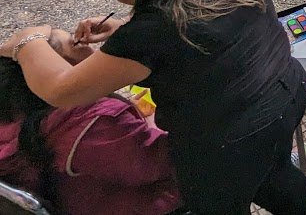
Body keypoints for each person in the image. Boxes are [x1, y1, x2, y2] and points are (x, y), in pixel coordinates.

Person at [0, 0, 306, 215]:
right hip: (285, 93)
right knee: (276, 174)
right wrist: (121, 28)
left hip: (228, 140)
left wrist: (28, 40)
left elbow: (59, 89)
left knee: (218, 205)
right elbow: (208, 29)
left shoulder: (148, 35)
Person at [0, 31, 181, 215]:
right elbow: (170, 163)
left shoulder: (16, 109)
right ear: (59, 67)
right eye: (76, 43)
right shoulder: (96, 124)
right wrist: (154, 121)